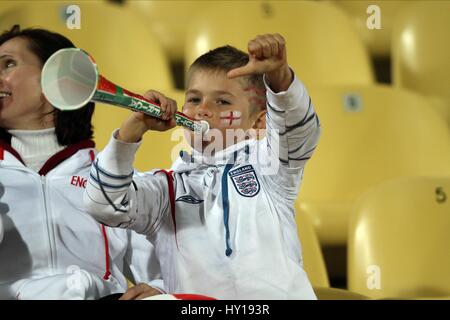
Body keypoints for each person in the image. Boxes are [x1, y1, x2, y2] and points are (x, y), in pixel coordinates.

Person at [84, 34, 321, 299]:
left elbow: (299, 133)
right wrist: (130, 134)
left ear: (259, 121)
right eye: (194, 99)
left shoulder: (270, 167)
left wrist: (280, 79)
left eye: (222, 102)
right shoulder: (165, 189)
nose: (203, 110)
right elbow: (102, 205)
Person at [0, 25, 164, 300]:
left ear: (59, 77)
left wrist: (158, 289)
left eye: (8, 64)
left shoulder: (116, 178)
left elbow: (163, 272)